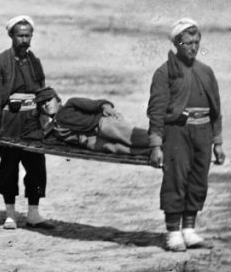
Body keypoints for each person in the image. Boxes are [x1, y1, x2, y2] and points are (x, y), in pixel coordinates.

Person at [147, 18, 225, 252]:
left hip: (204, 134)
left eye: (196, 42)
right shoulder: (164, 72)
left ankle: (189, 230)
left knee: (198, 180)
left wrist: (218, 143)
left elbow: (216, 110)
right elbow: (157, 110)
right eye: (187, 42)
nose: (192, 47)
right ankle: (173, 233)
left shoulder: (206, 71)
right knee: (175, 180)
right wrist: (156, 145)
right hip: (177, 133)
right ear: (176, 44)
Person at [0, 15, 51, 230]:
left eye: (28, 35)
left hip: (32, 122)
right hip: (10, 122)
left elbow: (41, 91)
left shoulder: (35, 62)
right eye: (20, 35)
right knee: (9, 168)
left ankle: (33, 213)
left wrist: (47, 117)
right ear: (11, 36)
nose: (24, 40)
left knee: (37, 168)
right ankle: (11, 213)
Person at [33, 87, 150, 155]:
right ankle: (155, 152)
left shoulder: (70, 104)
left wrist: (107, 108)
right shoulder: (52, 128)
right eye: (42, 104)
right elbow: (37, 136)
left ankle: (162, 139)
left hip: (102, 124)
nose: (46, 104)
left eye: (49, 100)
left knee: (132, 137)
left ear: (58, 101)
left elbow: (95, 104)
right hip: (91, 141)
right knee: (119, 149)